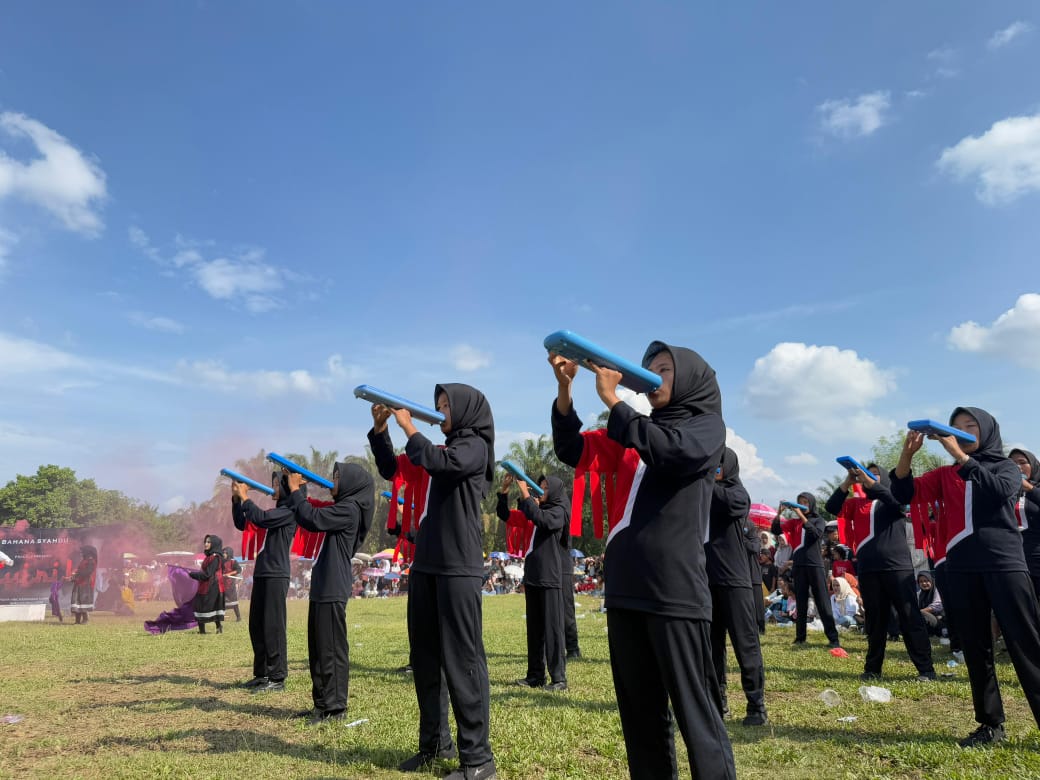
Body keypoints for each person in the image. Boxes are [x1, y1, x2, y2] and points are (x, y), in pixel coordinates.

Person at [550, 342, 736, 780]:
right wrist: (565, 391)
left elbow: (674, 453)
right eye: (649, 369)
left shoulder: (706, 428)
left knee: (697, 717)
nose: (653, 376)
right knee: (641, 717)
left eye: (665, 369)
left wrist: (614, 400)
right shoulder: (637, 432)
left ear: (690, 378)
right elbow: (571, 449)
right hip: (625, 589)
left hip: (674, 592)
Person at [369, 383, 497, 780]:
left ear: (466, 410)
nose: (440, 412)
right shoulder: (434, 451)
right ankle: (433, 743)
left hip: (458, 566)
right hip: (426, 564)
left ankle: (477, 760)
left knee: (463, 661)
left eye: (447, 406)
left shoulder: (473, 446)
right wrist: (381, 432)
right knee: (425, 659)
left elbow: (443, 463)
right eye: (437, 406)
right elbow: (393, 469)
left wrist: (411, 429)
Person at [891, 407, 1040, 747]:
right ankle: (990, 725)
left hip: (1005, 564)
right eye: (955, 427)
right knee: (975, 648)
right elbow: (903, 494)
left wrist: (959, 456)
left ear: (986, 431)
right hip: (960, 567)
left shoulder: (1005, 467)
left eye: (969, 427)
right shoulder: (945, 475)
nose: (960, 432)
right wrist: (906, 454)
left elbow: (999, 491)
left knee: (1027, 644)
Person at [825, 465, 935, 682]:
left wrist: (872, 482)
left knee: (909, 617)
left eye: (875, 473)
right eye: (866, 471)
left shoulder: (891, 498)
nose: (868, 475)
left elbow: (898, 504)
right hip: (868, 569)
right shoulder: (857, 504)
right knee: (875, 621)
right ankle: (872, 669)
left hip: (897, 567)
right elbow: (832, 506)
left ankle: (926, 670)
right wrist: (848, 481)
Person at [288, 462, 374, 725]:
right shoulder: (343, 508)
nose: (332, 482)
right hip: (323, 586)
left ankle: (335, 708)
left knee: (331, 649)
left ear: (350, 484)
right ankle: (322, 704)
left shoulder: (349, 510)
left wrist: (296, 492)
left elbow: (311, 519)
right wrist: (297, 492)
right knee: (318, 648)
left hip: (333, 587)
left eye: (337, 478)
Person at [706, 447, 768, 726]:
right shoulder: (700, 495)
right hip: (704, 582)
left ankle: (756, 706)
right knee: (710, 647)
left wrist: (703, 477)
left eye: (716, 464)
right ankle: (718, 703)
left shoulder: (736, 493)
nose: (711, 468)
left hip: (735, 582)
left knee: (746, 645)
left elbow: (731, 504)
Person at [232, 473, 298, 692]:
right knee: (257, 625)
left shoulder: (288, 512)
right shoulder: (273, 512)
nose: (273, 488)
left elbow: (260, 517)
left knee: (273, 626)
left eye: (277, 484)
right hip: (262, 572)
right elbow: (243, 522)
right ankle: (262, 673)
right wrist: (236, 499)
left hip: (276, 574)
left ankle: (277, 676)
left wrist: (246, 497)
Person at [511, 473, 569, 691]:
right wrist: (511, 490)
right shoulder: (540, 509)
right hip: (534, 575)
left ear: (553, 490)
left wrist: (527, 493)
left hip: (550, 576)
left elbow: (542, 520)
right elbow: (526, 512)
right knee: (534, 630)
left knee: (553, 630)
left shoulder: (558, 512)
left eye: (544, 487)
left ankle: (559, 679)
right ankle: (535, 675)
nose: (540, 490)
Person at [772, 494, 842, 649]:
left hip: (815, 565)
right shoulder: (794, 522)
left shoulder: (818, 520)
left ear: (811, 503)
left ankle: (833, 637)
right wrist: (779, 513)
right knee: (801, 602)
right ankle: (800, 637)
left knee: (822, 602)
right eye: (799, 503)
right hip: (799, 566)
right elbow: (776, 529)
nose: (802, 505)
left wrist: (801, 516)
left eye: (805, 503)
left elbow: (815, 534)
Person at [1009, 448, 1040, 597]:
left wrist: (1029, 488)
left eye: (1022, 462)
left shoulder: (1036, 488)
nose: (1017, 467)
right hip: (1014, 558)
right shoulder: (1006, 492)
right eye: (1012, 463)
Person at [188, 534, 225, 634]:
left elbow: (207, 574)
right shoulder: (209, 557)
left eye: (209, 542)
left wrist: (193, 575)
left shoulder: (215, 558)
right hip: (207, 585)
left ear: (214, 544)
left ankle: (216, 628)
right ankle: (204, 630)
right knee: (204, 606)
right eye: (205, 542)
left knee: (204, 606)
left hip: (212, 587)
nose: (206, 544)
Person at [70, 545, 98, 625]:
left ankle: (85, 620)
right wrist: (74, 576)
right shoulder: (84, 560)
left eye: (83, 552)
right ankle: (77, 621)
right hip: (79, 583)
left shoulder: (91, 561)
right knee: (76, 602)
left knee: (83, 602)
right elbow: (80, 570)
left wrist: (77, 574)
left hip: (85, 584)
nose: (81, 553)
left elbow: (88, 572)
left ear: (88, 552)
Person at [222, 547, 242, 622]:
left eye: (225, 553)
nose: (224, 554)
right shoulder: (222, 562)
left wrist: (229, 573)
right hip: (223, 585)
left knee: (233, 602)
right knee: (222, 601)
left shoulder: (234, 562)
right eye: (223, 552)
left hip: (231, 585)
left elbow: (238, 570)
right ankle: (221, 616)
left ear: (229, 553)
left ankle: (238, 617)